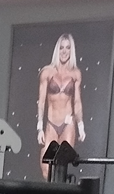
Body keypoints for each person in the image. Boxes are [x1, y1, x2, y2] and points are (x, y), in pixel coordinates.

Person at [37, 33, 85, 178]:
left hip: (68, 124)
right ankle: (49, 192)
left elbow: (77, 101)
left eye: (68, 48)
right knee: (46, 167)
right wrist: (39, 127)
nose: (64, 51)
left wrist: (80, 125)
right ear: (57, 50)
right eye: (62, 48)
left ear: (71, 50)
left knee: (62, 166)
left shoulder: (75, 74)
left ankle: (60, 191)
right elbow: (41, 101)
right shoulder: (47, 72)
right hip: (51, 124)